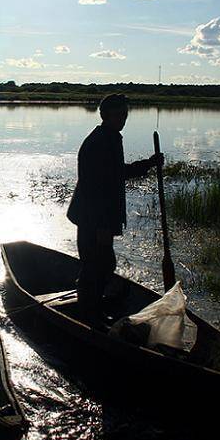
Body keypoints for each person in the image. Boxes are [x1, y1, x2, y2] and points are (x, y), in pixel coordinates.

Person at [66, 94, 163, 329]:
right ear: (105, 115)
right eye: (120, 114)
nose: (124, 119)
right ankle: (89, 316)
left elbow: (116, 174)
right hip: (93, 217)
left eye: (125, 114)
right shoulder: (101, 141)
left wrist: (148, 164)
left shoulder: (109, 138)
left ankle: (91, 309)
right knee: (98, 266)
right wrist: (101, 225)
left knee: (101, 265)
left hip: (97, 217)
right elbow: (95, 187)